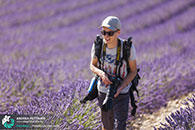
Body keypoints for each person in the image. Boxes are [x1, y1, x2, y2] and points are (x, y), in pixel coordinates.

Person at [90, 16, 137, 130]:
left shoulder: (127, 47)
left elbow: (133, 71)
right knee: (106, 125)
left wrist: (120, 88)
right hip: (103, 90)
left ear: (118, 32)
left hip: (122, 92)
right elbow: (92, 65)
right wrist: (101, 74)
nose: (106, 36)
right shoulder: (98, 45)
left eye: (110, 33)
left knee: (120, 126)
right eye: (103, 32)